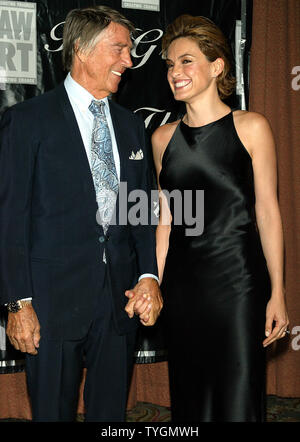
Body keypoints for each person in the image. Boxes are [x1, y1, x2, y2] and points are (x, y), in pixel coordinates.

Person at [0, 5, 162, 422]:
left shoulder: (130, 127)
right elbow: (10, 217)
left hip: (119, 302)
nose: (129, 60)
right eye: (119, 49)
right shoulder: (26, 120)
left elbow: (141, 210)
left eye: (129, 51)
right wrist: (18, 303)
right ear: (82, 50)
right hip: (50, 305)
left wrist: (148, 276)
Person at [152, 14, 289, 422]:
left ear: (217, 67)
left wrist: (278, 291)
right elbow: (165, 220)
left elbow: (267, 211)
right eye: (170, 64)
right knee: (190, 398)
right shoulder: (162, 139)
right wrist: (155, 286)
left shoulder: (252, 127)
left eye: (186, 61)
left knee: (237, 397)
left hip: (238, 287)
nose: (175, 72)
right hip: (183, 290)